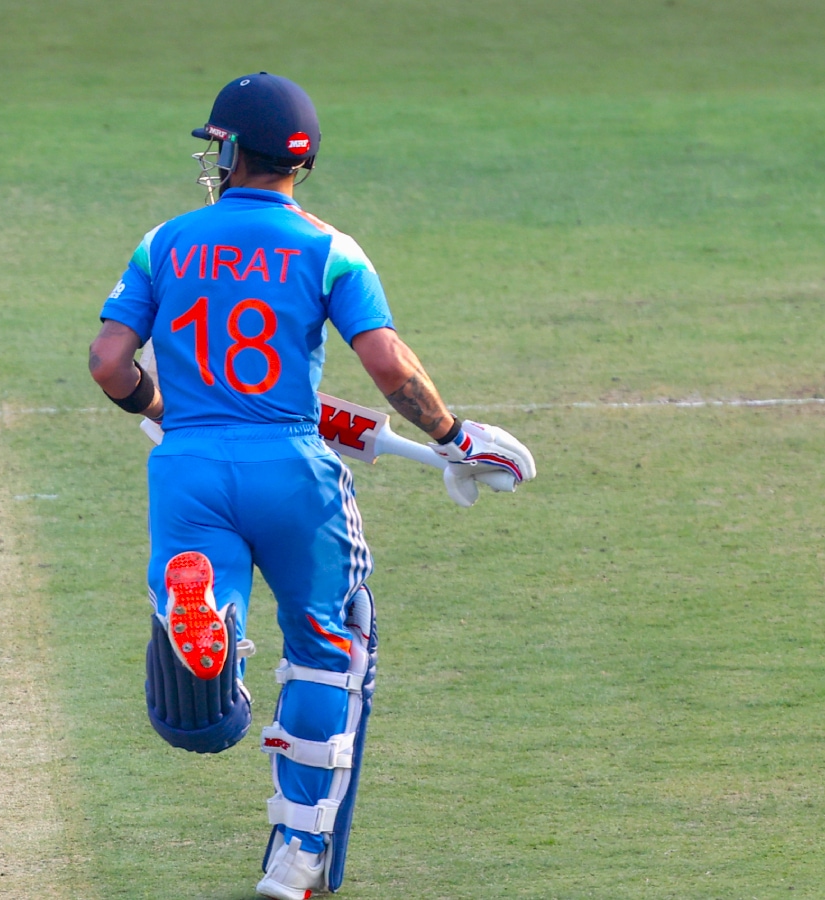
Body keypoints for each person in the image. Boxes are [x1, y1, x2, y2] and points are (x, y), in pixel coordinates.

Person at [88, 72, 535, 897]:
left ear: (229, 149)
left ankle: (209, 613)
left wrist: (161, 407)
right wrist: (453, 437)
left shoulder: (165, 240)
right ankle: (297, 859)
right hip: (292, 465)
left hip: (188, 465)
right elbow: (388, 366)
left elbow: (110, 363)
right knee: (334, 646)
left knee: (203, 645)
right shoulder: (331, 248)